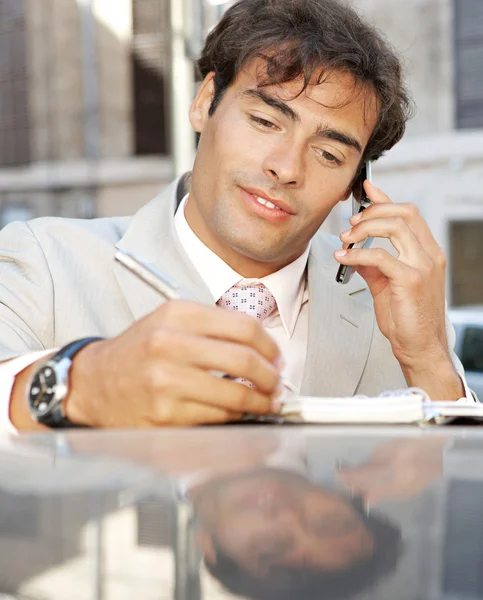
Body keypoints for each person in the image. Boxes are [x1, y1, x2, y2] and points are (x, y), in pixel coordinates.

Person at [0, 0, 476, 432]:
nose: (286, 168)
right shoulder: (43, 263)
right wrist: (78, 384)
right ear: (206, 102)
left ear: (356, 186)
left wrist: (430, 361)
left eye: (329, 154)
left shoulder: (394, 314)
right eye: (265, 122)